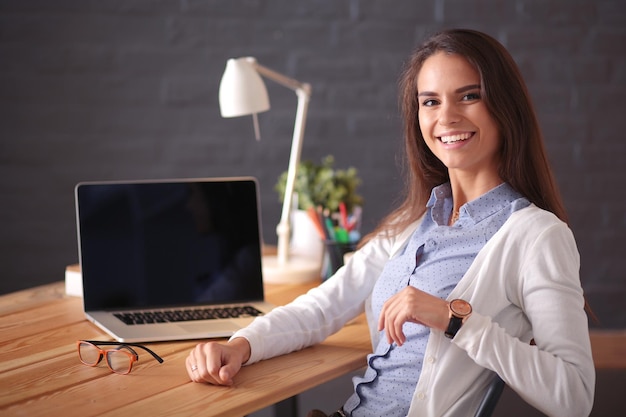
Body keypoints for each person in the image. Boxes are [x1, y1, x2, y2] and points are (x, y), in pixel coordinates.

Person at [185, 28, 595, 417]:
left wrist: (454, 320)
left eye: (469, 96)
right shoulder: (410, 223)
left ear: (505, 107)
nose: (447, 116)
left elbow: (574, 397)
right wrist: (239, 346)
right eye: (430, 101)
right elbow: (321, 308)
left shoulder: (537, 236)